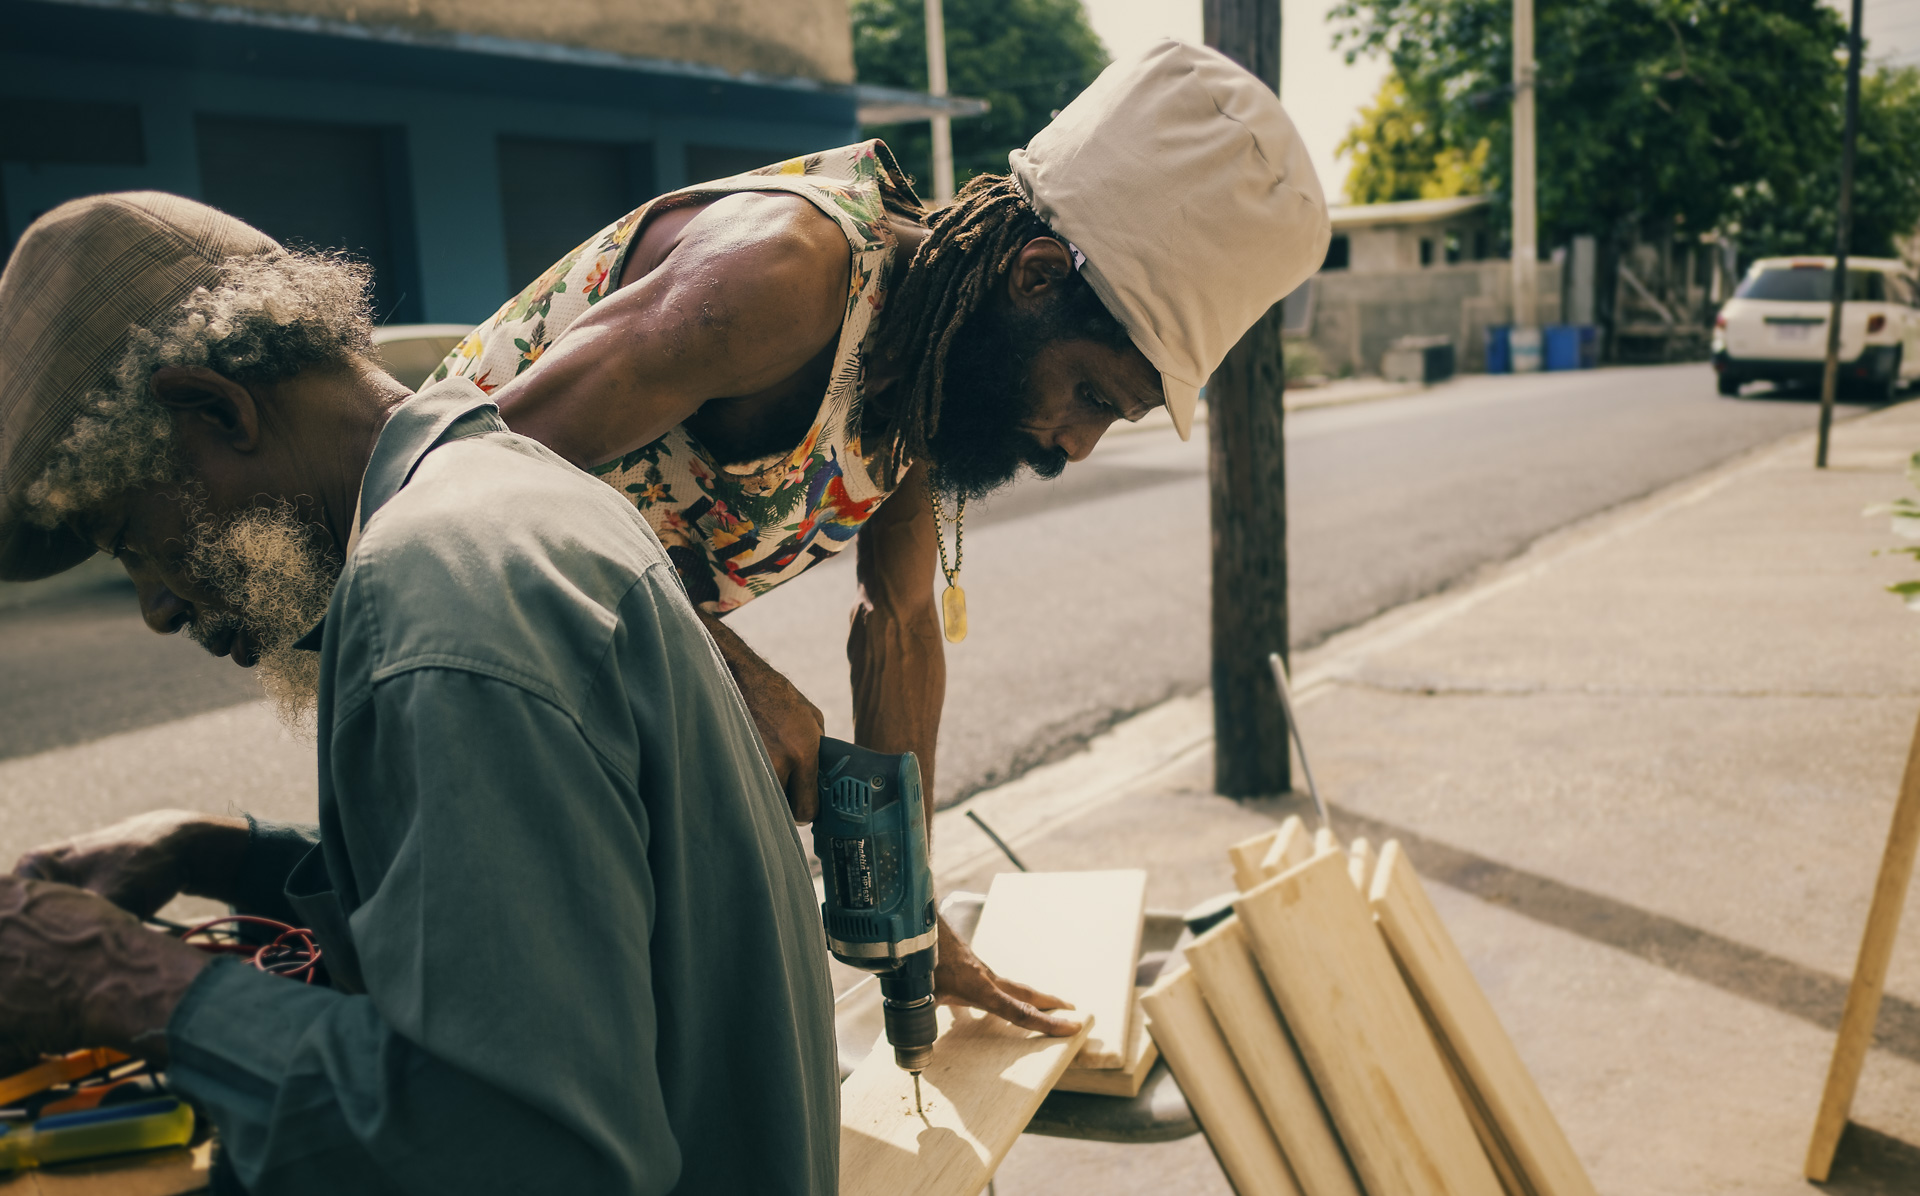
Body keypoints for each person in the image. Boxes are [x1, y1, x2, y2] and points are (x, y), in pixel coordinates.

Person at [427, 39, 1332, 1028]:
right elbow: (470, 481)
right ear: (1034, 276)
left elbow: (898, 619)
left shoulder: (924, 367)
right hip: (412, 598)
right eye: (1089, 394)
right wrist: (730, 678)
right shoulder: (786, 274)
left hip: (533, 655)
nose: (1075, 446)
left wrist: (909, 919)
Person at [0, 192, 836, 1194]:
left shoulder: (437, 591)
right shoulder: (503, 493)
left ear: (219, 409)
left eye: (136, 539)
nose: (155, 608)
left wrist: (116, 978)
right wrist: (214, 849)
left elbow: (515, 1151)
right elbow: (553, 902)